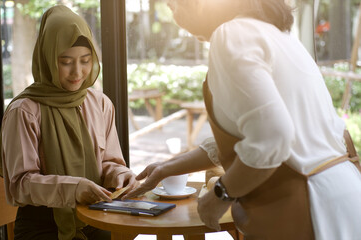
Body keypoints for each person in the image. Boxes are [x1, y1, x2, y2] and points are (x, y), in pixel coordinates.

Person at [123, 0, 361, 239]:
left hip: (310, 210)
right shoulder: (277, 35)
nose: (175, 17)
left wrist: (220, 194)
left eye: (173, 6)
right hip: (341, 198)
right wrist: (166, 168)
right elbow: (253, 136)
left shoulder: (232, 35)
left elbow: (272, 137)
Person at [0, 5, 138, 240]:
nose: (77, 72)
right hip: (42, 227)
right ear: (48, 59)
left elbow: (109, 162)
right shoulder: (24, 111)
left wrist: (121, 174)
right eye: (66, 61)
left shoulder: (100, 104)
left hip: (96, 216)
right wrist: (73, 189)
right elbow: (20, 184)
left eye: (85, 60)